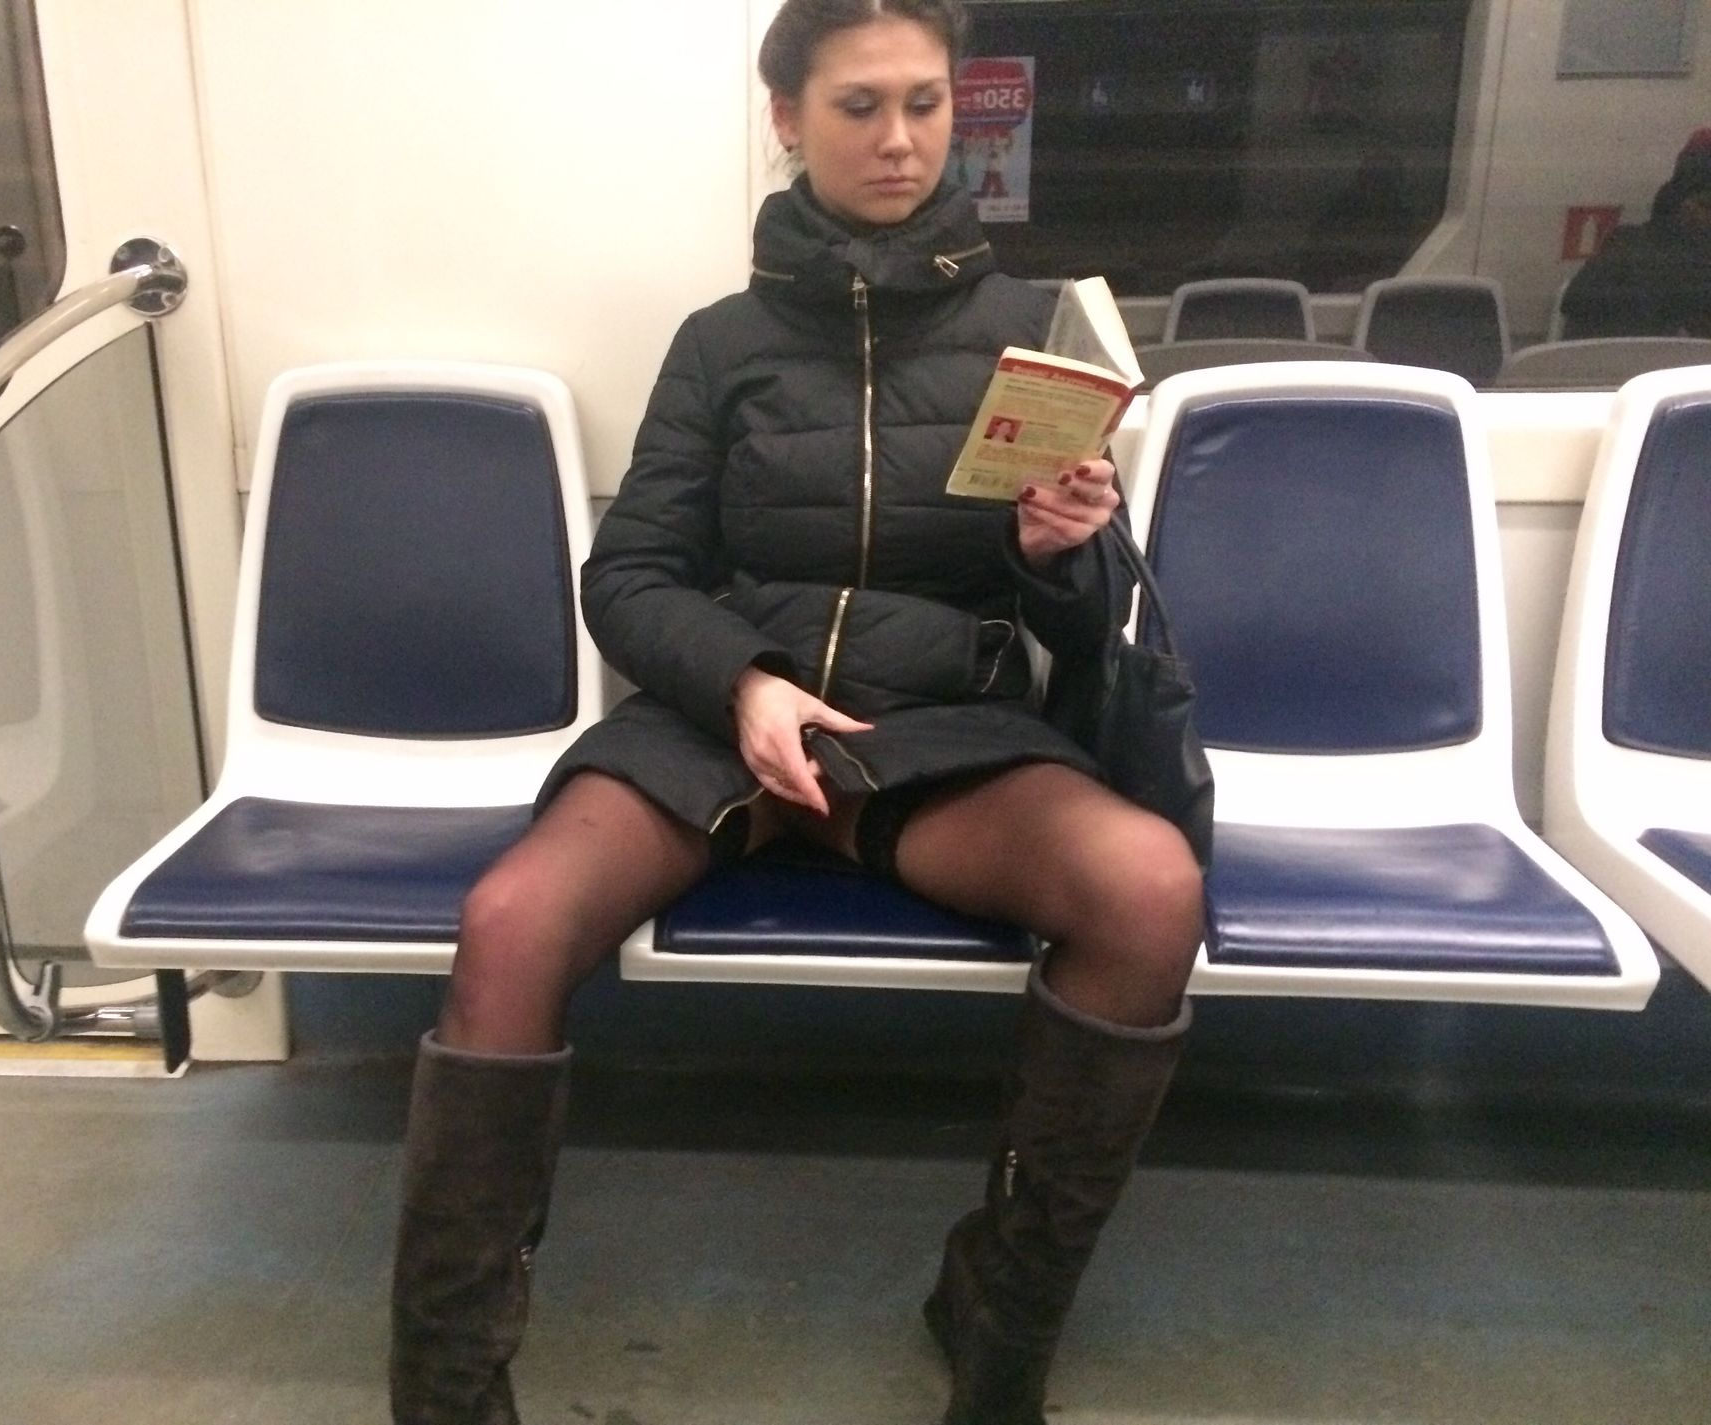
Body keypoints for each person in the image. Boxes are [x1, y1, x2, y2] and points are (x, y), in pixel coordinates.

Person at [387, 4, 1204, 1422]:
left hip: (935, 734)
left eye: (927, 105)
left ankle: (999, 1318)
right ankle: (447, 1386)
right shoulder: (723, 344)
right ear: (786, 121)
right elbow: (631, 570)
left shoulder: (1033, 335)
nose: (898, 140)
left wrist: (1059, 552)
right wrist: (746, 683)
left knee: (1147, 887)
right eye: (858, 108)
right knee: (510, 920)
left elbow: (1076, 635)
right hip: (717, 725)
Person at [1561, 128, 1711, 340]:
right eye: (1709, 205)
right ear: (1682, 204)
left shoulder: (1628, 244)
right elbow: (1577, 305)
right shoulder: (1629, 250)